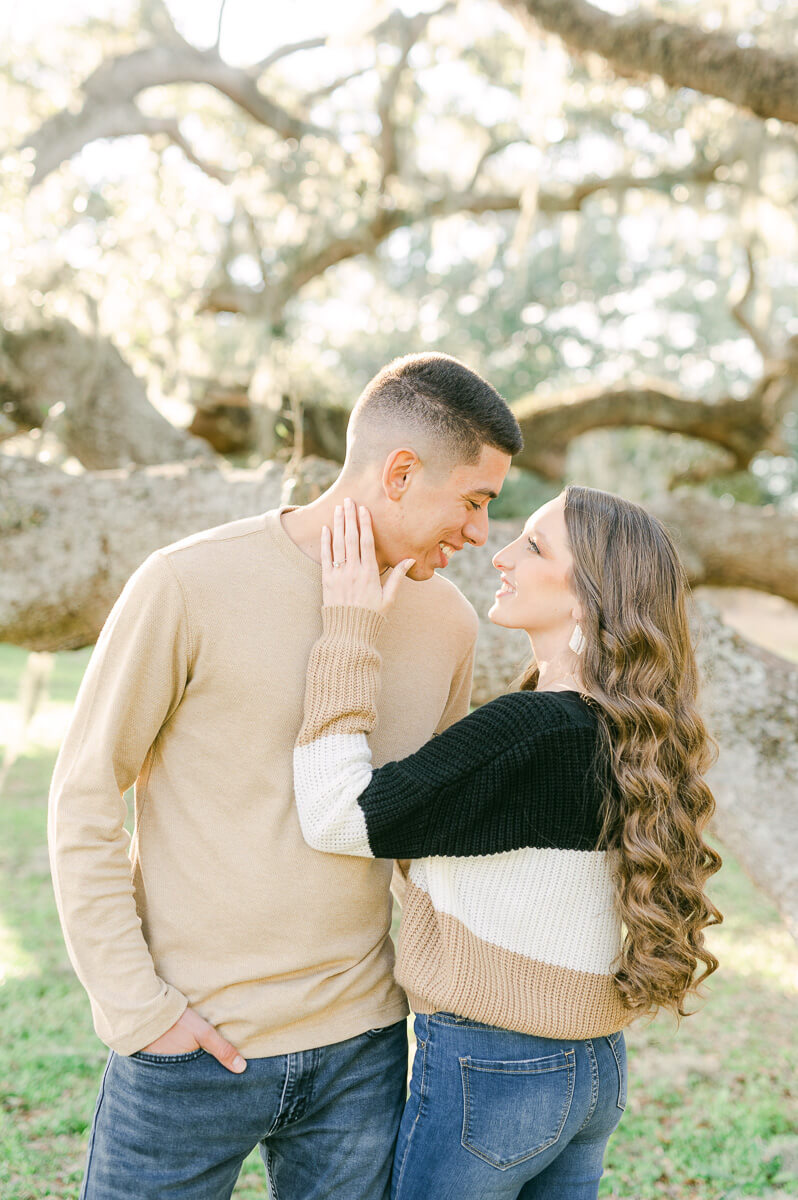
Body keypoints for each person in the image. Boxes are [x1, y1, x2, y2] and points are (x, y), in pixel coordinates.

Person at [48, 352, 522, 1200]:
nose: (482, 531)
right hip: (187, 1050)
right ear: (402, 473)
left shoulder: (448, 622)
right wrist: (139, 1010)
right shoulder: (188, 583)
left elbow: (426, 833)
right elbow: (84, 797)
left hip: (363, 1053)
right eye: (476, 501)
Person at [293, 486, 723, 1200]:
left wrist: (348, 628)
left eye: (532, 545)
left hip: (494, 1069)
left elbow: (338, 815)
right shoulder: (635, 733)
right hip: (596, 1070)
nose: (501, 555)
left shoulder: (530, 731)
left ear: (585, 597)